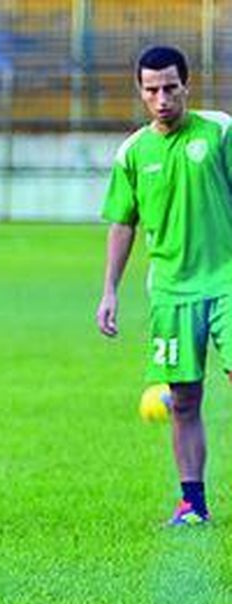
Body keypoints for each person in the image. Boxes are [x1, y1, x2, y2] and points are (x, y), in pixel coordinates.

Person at [97, 45, 232, 526]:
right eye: (151, 90)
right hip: (172, 293)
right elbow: (123, 223)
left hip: (227, 283)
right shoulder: (133, 152)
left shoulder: (219, 131)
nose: (161, 99)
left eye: (170, 88)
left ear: (186, 86)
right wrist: (110, 289)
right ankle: (192, 503)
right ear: (140, 91)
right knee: (185, 399)